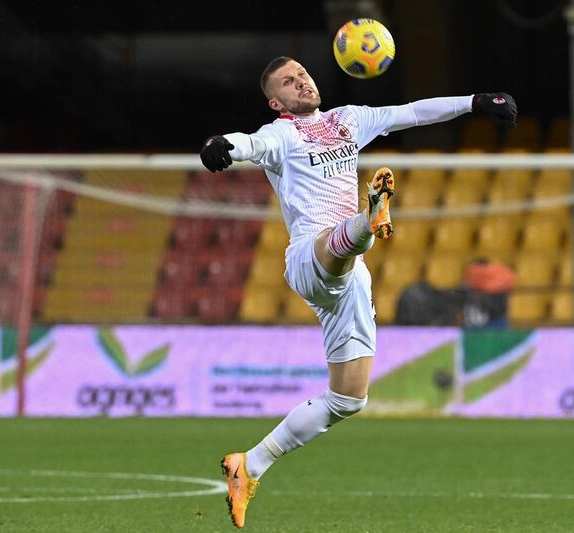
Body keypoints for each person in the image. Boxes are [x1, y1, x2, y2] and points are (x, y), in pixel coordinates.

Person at [199, 56, 517, 528]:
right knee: (343, 245)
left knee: (348, 399)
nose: (301, 81)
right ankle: (367, 219)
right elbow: (251, 144)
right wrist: (223, 144)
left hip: (348, 277)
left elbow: (412, 112)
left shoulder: (349, 119)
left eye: (302, 74)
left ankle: (250, 463)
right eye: (288, 81)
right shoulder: (281, 136)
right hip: (310, 256)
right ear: (275, 101)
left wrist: (472, 102)